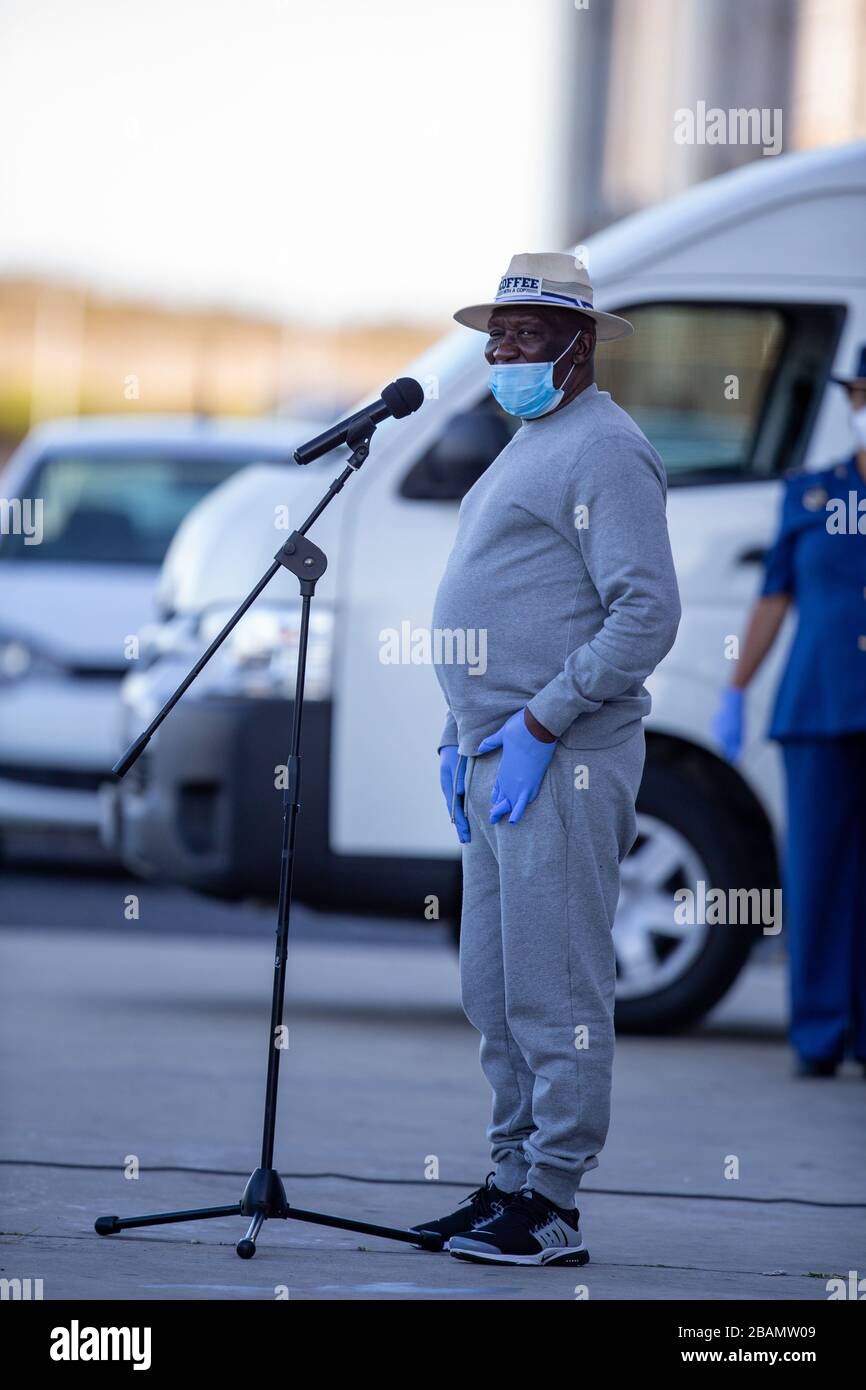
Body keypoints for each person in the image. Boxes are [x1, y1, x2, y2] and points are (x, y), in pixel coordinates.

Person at [411, 252, 681, 1265]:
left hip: (558, 759)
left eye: (522, 335)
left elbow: (644, 611)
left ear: (575, 347)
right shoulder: (530, 439)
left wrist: (538, 722)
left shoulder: (604, 450)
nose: (500, 349)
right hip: (492, 760)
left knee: (556, 989)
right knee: (493, 988)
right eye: (496, 333)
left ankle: (554, 1200)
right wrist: (458, 737)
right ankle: (509, 1180)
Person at [713, 345, 866, 1080]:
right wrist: (737, 687)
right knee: (817, 874)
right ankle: (818, 1034)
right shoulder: (810, 494)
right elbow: (774, 595)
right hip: (821, 704)